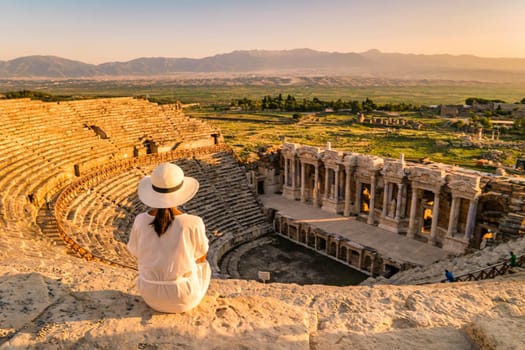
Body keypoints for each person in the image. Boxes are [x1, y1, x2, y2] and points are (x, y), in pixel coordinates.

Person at [127, 163, 211, 313]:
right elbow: (201, 257)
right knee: (204, 266)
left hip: (149, 294)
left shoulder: (140, 220)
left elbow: (135, 252)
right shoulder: (193, 222)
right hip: (183, 297)